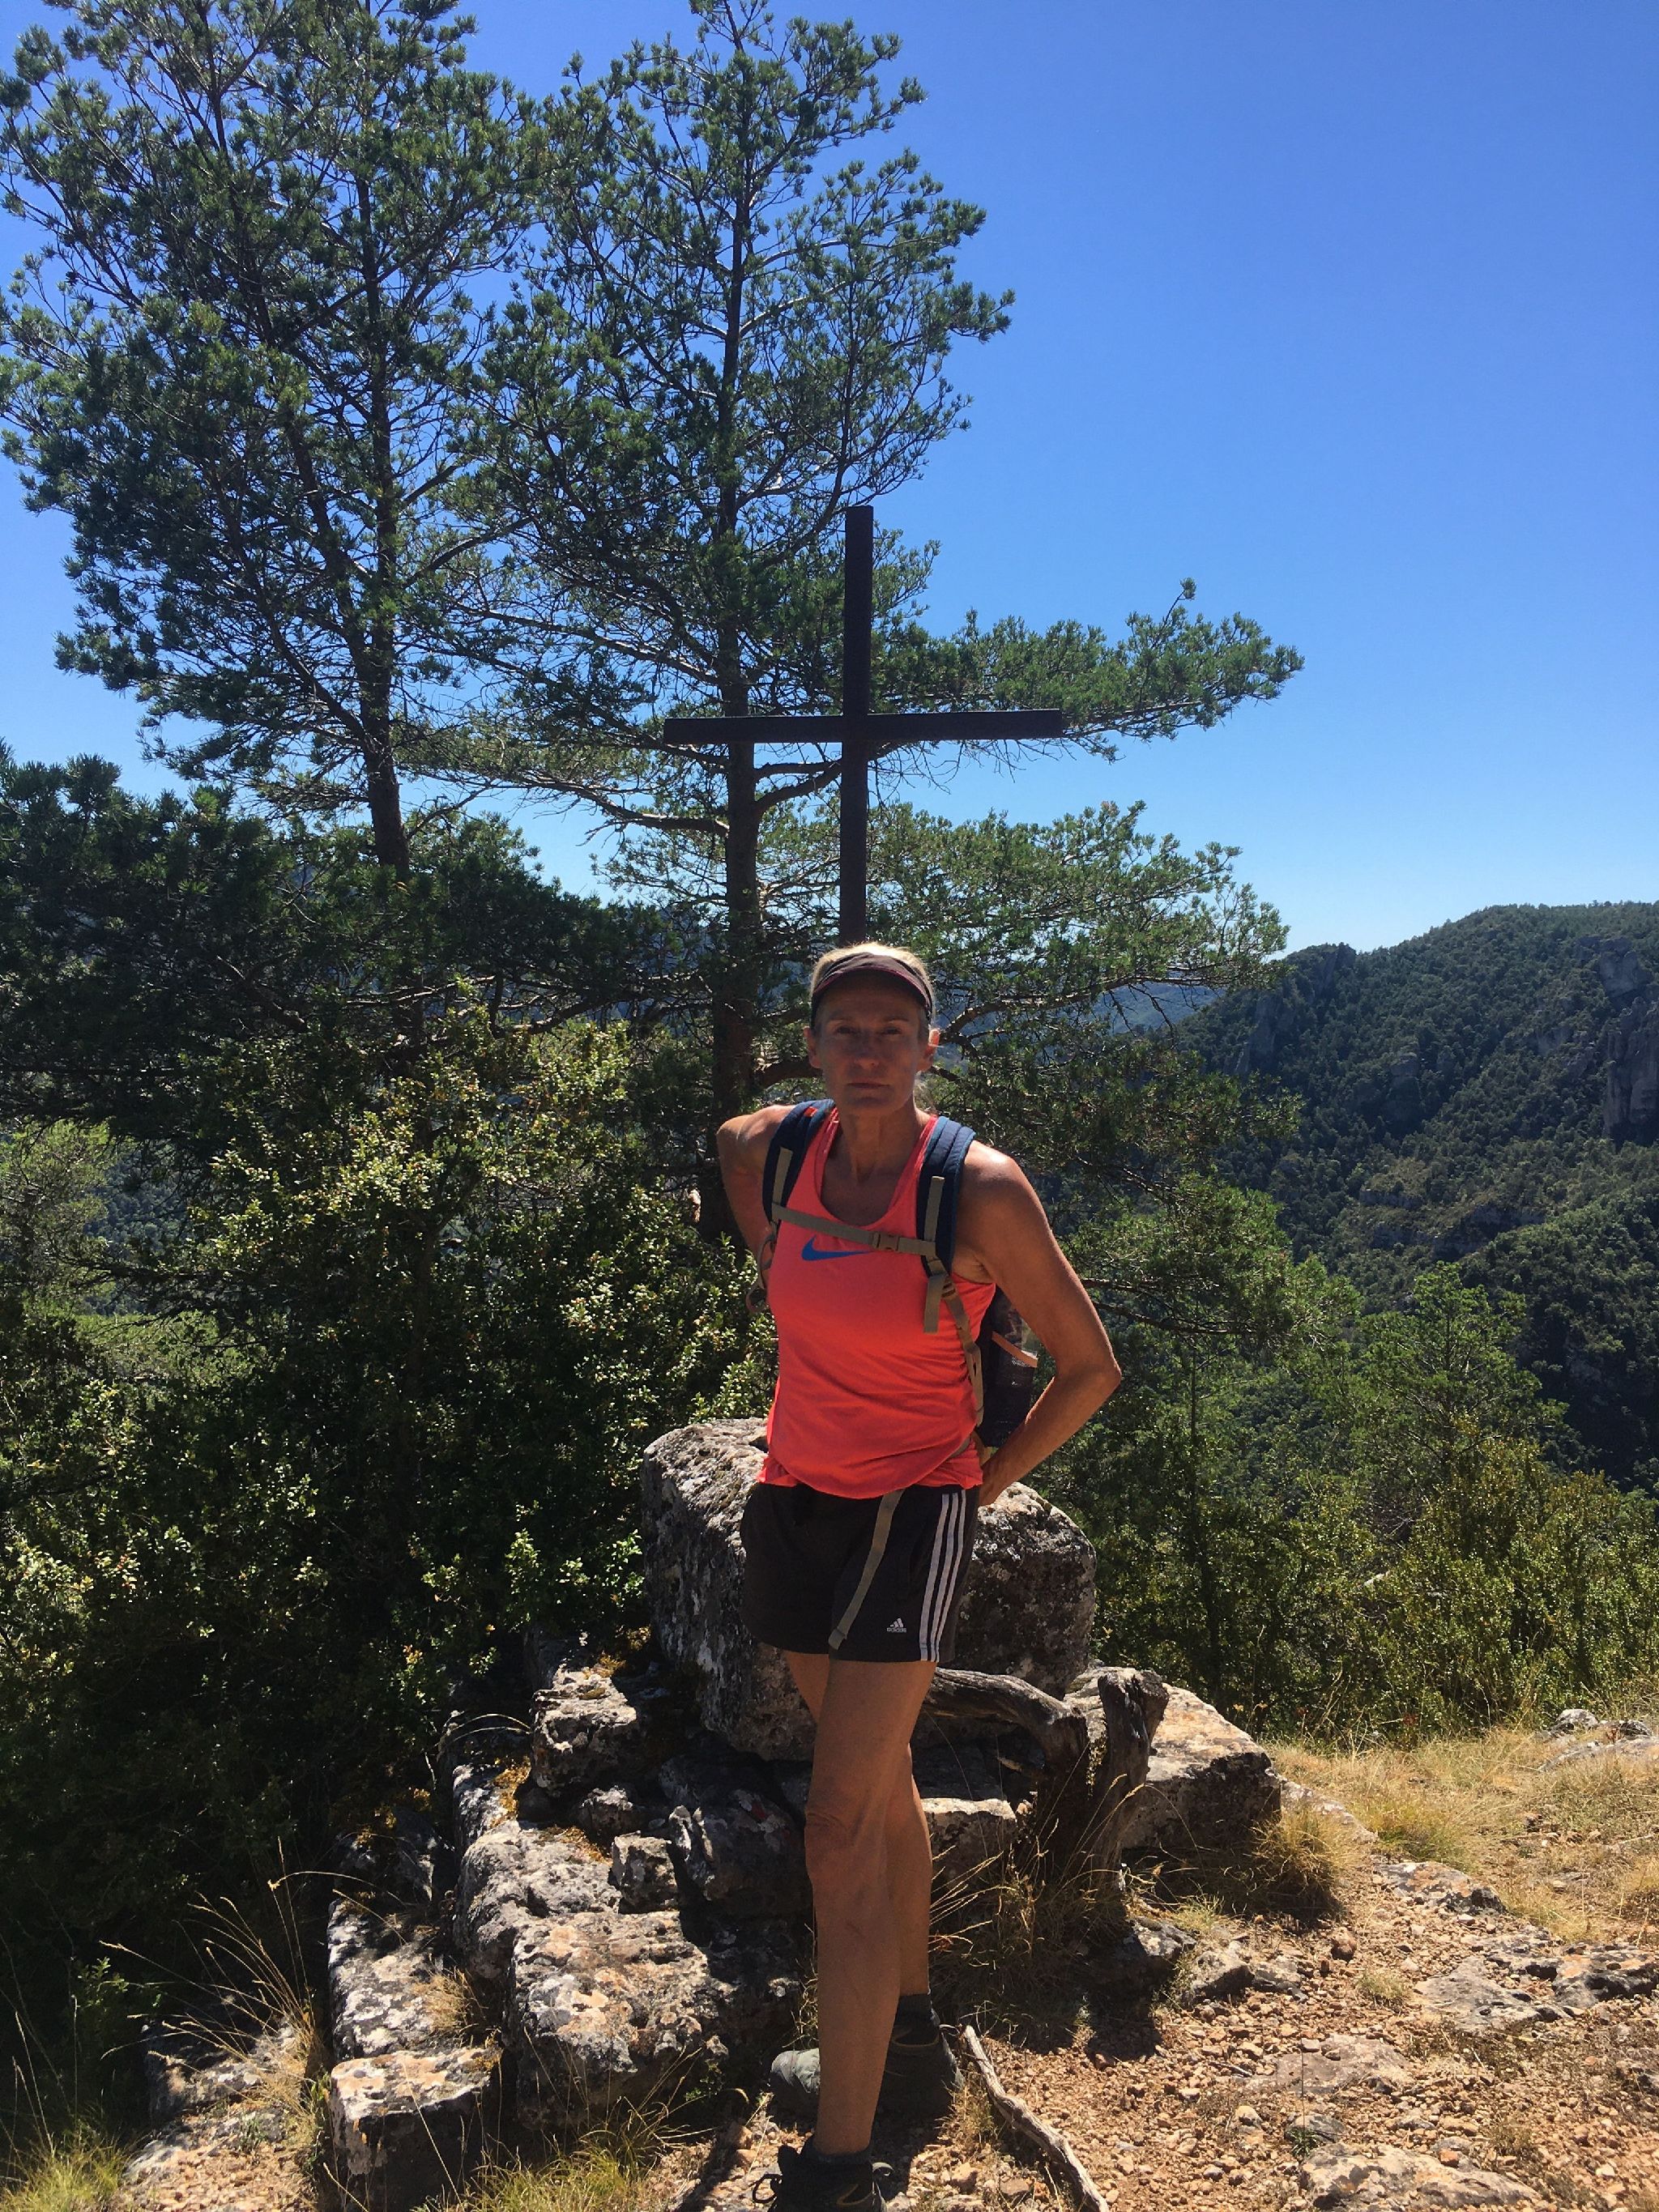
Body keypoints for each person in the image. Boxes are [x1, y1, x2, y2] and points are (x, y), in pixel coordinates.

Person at [717, 942, 1121, 2212]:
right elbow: (733, 1158)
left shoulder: (978, 1191)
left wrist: (981, 1486)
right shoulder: (778, 1151)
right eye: (846, 1029)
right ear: (815, 1047)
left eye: (894, 1030)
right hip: (795, 1493)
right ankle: (905, 2026)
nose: (869, 1049)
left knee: (835, 1826)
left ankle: (840, 2168)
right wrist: (776, 1259)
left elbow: (1090, 1366)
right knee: (872, 1772)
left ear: (929, 1048)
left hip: (911, 1511)